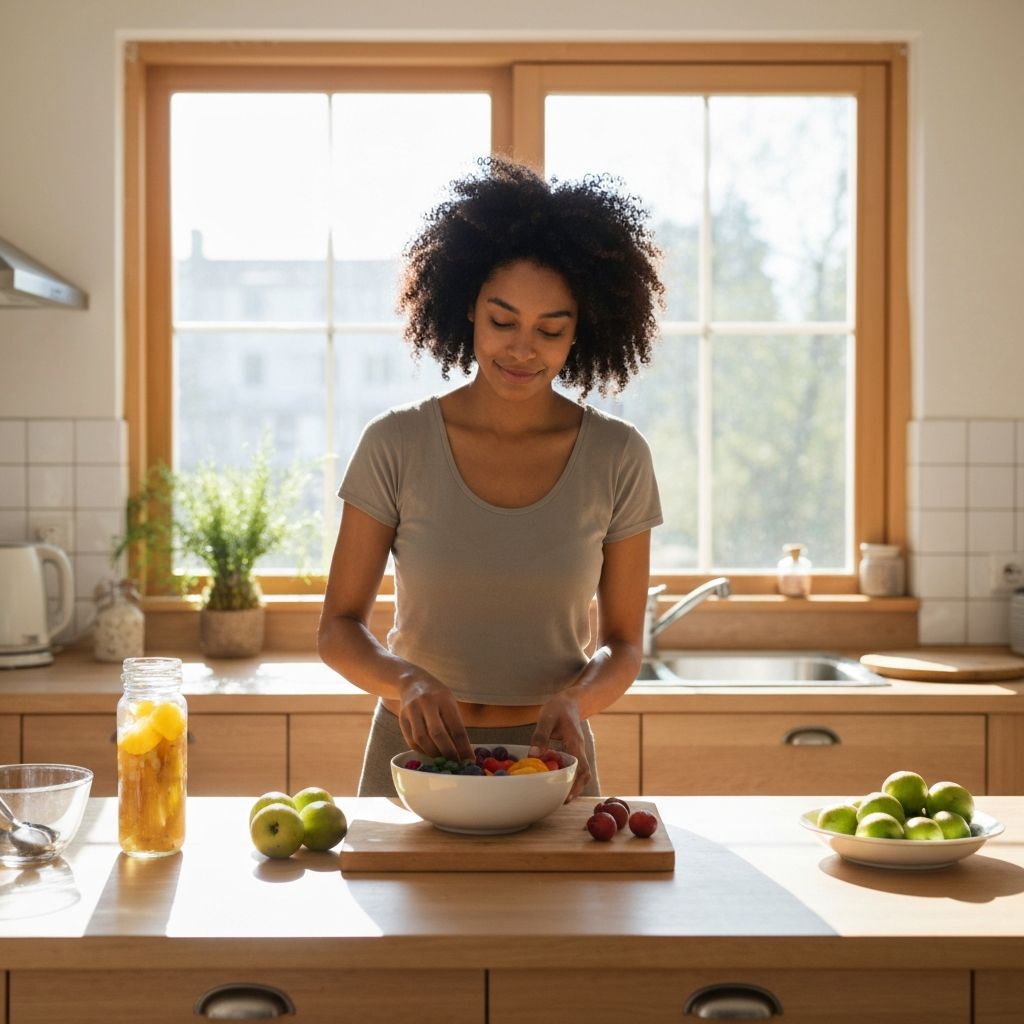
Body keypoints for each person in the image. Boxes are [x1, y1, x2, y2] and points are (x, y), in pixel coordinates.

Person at [318, 156, 664, 801]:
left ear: (580, 333)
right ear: (466, 309)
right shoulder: (395, 443)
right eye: (502, 321)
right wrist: (406, 681)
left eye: (550, 330)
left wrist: (577, 700)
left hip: (549, 762)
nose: (522, 349)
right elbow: (338, 626)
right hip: (411, 760)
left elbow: (622, 645)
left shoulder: (617, 455)